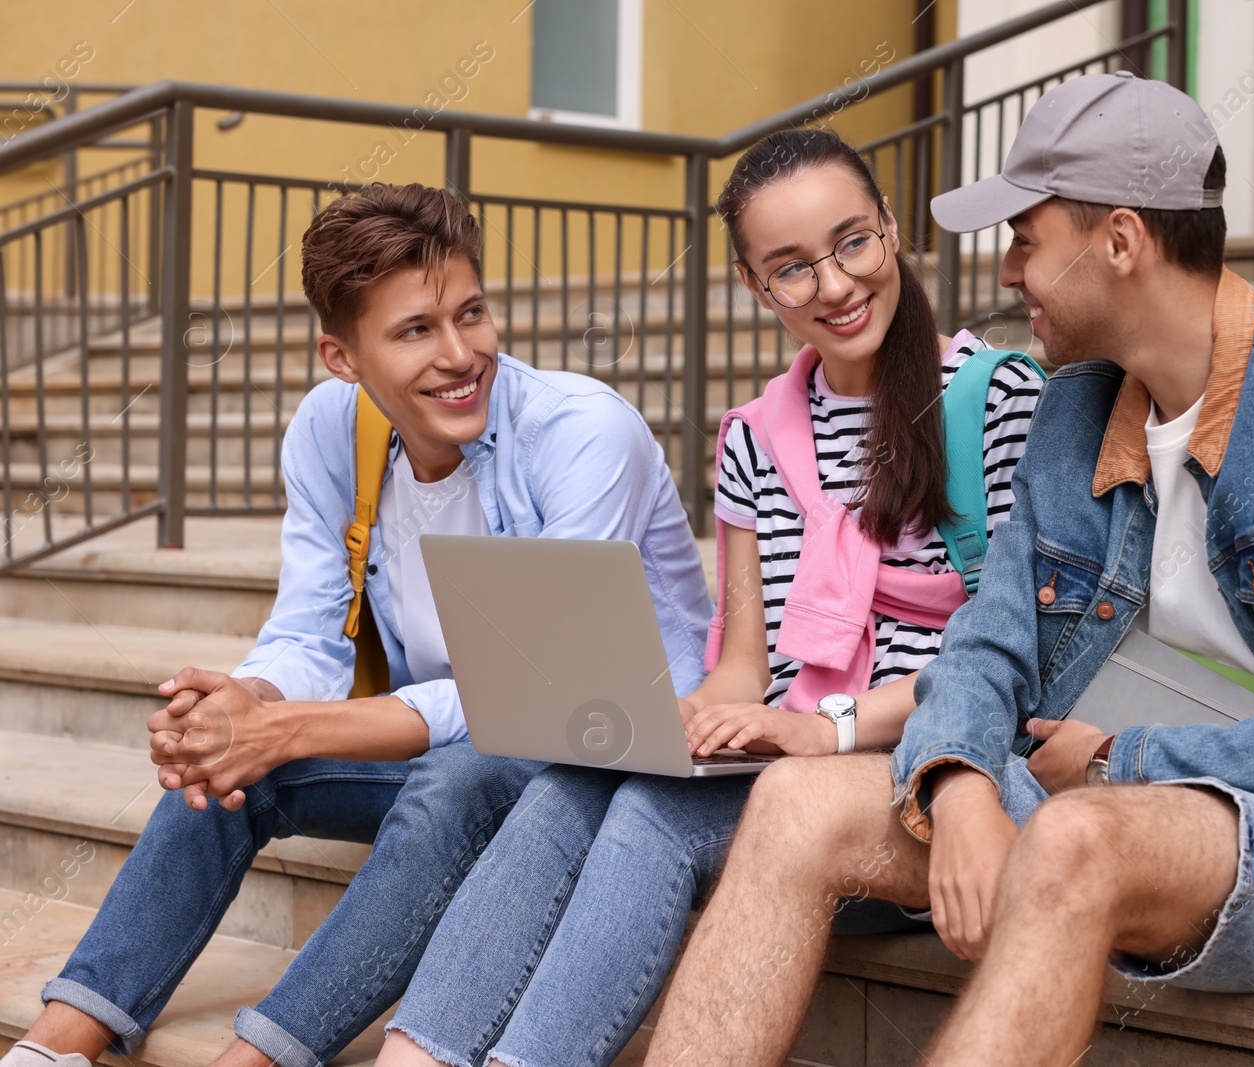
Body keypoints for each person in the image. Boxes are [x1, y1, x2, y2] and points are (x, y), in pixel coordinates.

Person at [642, 72, 1254, 1067]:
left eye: (1026, 237)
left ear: (1118, 242)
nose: (1009, 268)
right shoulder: (1079, 405)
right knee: (795, 804)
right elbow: (985, 645)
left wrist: (1119, 756)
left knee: (1076, 835)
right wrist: (958, 779)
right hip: (1128, 802)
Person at [372, 127, 1043, 1067]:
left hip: (944, 775)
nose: (837, 286)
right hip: (790, 771)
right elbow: (743, 665)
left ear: (892, 229)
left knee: (648, 816)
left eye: (854, 242)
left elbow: (1011, 663)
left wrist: (829, 729)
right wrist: (664, 724)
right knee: (583, 780)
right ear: (755, 287)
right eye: (792, 269)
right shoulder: (753, 438)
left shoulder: (998, 400)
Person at [1, 183, 712, 1067]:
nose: (462, 354)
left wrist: (287, 726)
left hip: (597, 756)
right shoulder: (331, 430)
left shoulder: (578, 431)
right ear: (343, 355)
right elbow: (307, 633)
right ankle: (59, 1038)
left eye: (472, 313)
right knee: (230, 760)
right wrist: (245, 703)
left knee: (455, 776)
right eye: (416, 330)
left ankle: (261, 1055)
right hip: (450, 736)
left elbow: (545, 696)